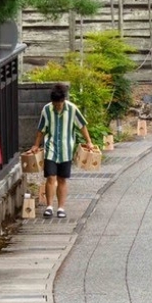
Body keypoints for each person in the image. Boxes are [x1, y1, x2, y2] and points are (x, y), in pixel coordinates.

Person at [33, 83, 94, 219]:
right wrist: (36, 145)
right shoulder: (47, 110)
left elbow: (82, 126)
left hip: (66, 149)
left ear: (63, 100)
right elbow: (40, 130)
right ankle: (49, 206)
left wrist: (89, 142)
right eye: (55, 104)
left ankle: (61, 207)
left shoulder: (72, 109)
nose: (57, 107)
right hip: (51, 148)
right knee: (50, 177)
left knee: (62, 179)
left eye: (59, 104)